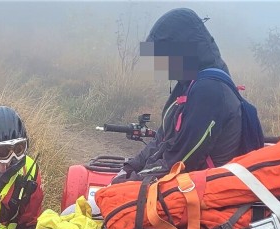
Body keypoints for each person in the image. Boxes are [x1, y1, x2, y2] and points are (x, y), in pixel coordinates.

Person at [113, 8, 263, 183]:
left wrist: (132, 182)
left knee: (93, 207)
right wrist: (131, 166)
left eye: (162, 56)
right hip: (184, 183)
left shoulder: (210, 90)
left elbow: (182, 161)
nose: (160, 65)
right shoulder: (188, 84)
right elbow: (162, 139)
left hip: (201, 190)